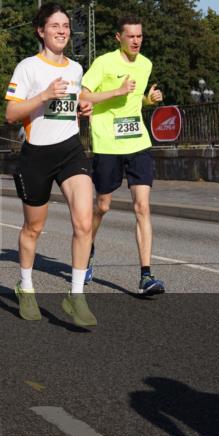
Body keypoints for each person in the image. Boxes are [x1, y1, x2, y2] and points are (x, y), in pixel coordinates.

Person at [5, 3, 97, 326]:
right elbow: (11, 114)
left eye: (66, 26)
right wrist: (44, 95)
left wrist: (83, 108)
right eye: (55, 25)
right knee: (34, 228)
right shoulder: (27, 68)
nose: (61, 31)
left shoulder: (76, 69)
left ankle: (76, 295)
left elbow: (71, 107)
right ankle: (26, 286)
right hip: (37, 156)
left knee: (84, 222)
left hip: (70, 151)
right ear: (41, 31)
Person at [82, 15, 167, 296]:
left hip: (138, 141)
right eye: (130, 36)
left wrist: (147, 100)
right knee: (103, 205)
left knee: (142, 207)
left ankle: (146, 275)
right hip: (108, 144)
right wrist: (116, 91)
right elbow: (83, 96)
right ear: (118, 38)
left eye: (139, 36)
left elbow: (134, 100)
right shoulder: (104, 63)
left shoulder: (146, 64)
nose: (136, 41)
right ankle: (87, 248)